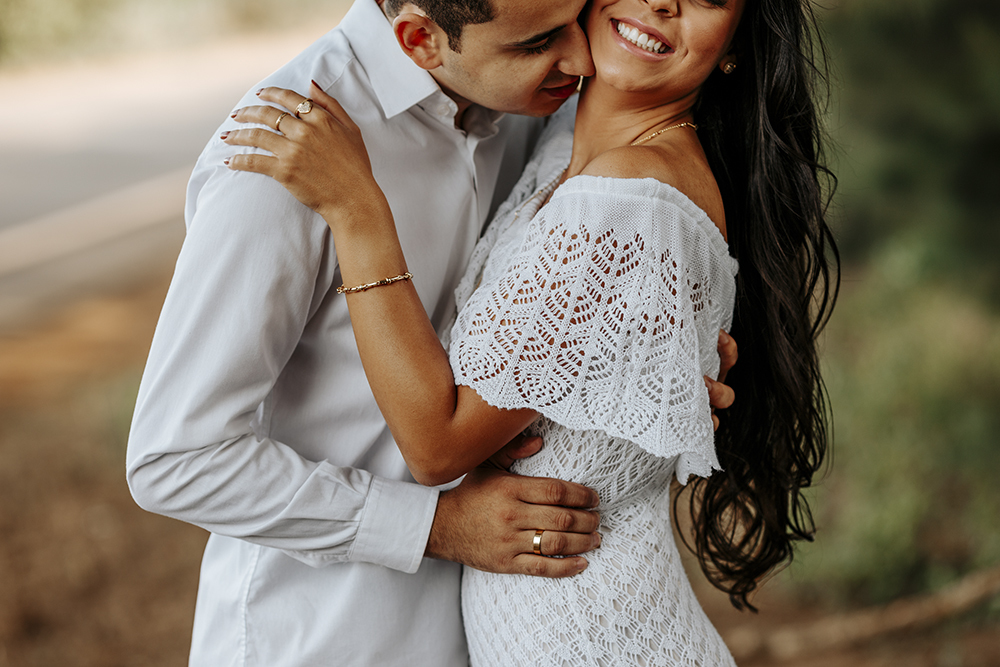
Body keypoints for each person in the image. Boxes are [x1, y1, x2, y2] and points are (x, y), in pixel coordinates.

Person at [223, 0, 839, 663]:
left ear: (733, 47)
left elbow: (437, 443)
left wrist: (356, 209)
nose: (663, 1)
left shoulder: (631, 200)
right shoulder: (566, 141)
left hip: (601, 642)